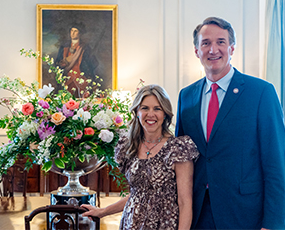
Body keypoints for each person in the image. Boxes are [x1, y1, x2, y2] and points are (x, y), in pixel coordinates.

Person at [175, 17, 285, 230]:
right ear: (197, 51)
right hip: (198, 214)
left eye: (220, 42)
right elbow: (181, 158)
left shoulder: (261, 93)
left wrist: (273, 224)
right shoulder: (186, 96)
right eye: (206, 43)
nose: (213, 49)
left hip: (245, 214)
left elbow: (275, 165)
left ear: (232, 48)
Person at [82, 84, 199, 230]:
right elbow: (137, 195)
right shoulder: (128, 146)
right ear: (137, 112)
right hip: (131, 224)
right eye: (145, 108)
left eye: (157, 108)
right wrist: (103, 211)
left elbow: (185, 202)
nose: (151, 114)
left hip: (165, 225)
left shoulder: (178, 148)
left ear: (165, 114)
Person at [55, 22, 99, 97]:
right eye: (71, 31)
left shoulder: (85, 48)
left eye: (75, 31)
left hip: (82, 78)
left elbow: (94, 63)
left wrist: (87, 71)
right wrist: (65, 62)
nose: (72, 33)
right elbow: (56, 63)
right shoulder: (64, 47)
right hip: (67, 78)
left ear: (79, 34)